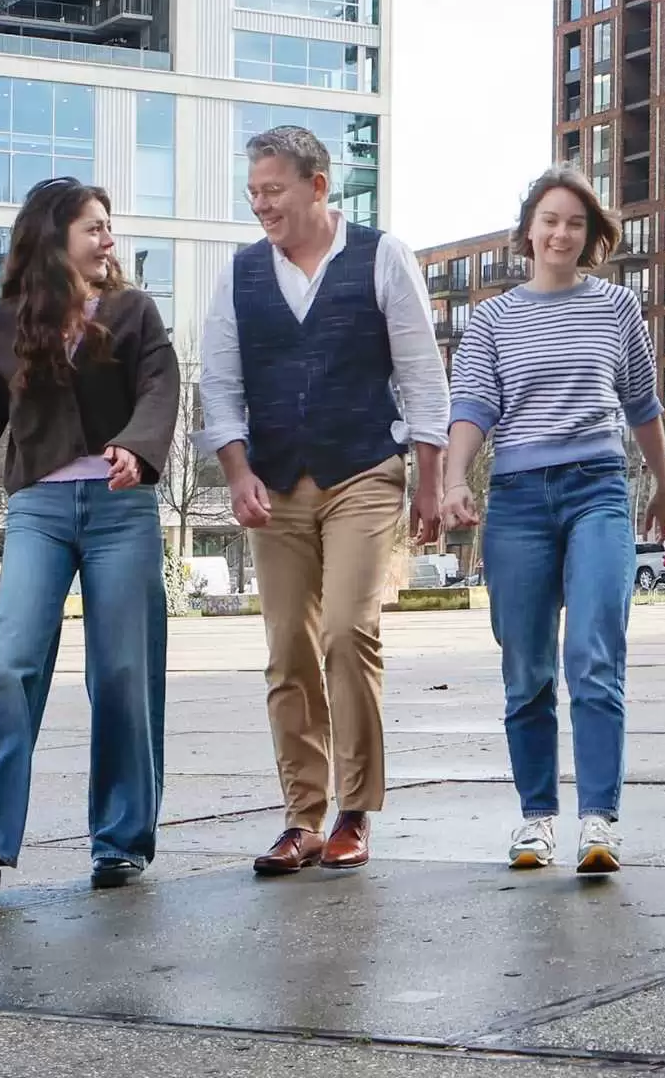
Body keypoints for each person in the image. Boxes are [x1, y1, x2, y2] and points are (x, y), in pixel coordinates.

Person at [0, 178, 180, 892]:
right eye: (94, 228)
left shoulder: (135, 313)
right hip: (39, 516)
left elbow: (162, 385)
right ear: (54, 238)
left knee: (121, 672)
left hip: (121, 512)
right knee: (10, 662)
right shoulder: (4, 327)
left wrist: (138, 448)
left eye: (110, 228)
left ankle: (120, 841)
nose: (109, 239)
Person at [199, 124, 448, 875]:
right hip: (274, 483)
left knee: (346, 630)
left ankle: (354, 808)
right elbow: (219, 384)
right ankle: (301, 817)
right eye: (253, 194)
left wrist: (431, 482)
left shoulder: (382, 255)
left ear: (317, 185)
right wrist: (237, 473)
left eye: (273, 191)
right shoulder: (241, 274)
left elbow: (421, 373)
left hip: (364, 471)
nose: (262, 206)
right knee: (289, 652)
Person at [439, 168, 665, 874]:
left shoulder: (616, 307)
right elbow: (473, 404)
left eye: (575, 222)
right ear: (528, 232)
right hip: (516, 502)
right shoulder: (492, 318)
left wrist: (663, 484)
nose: (561, 233)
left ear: (590, 236)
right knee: (528, 667)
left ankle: (599, 819)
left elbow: (642, 402)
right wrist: (452, 479)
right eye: (550, 220)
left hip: (598, 489)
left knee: (595, 655)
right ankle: (537, 818)